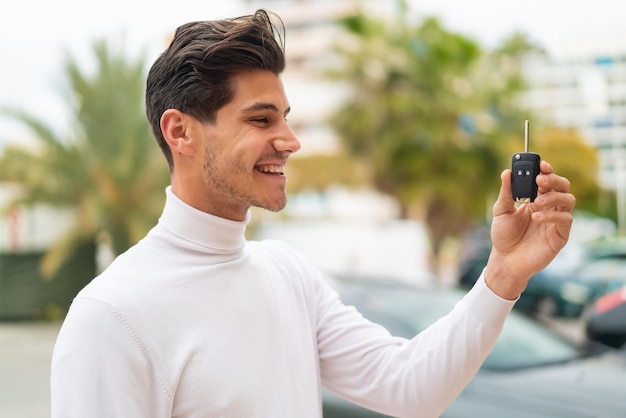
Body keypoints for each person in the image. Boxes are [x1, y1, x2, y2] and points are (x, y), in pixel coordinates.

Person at [50, 9, 576, 418]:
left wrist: (504, 271)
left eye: (286, 117)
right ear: (180, 132)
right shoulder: (112, 316)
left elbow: (409, 387)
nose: (290, 141)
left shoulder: (288, 274)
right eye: (260, 119)